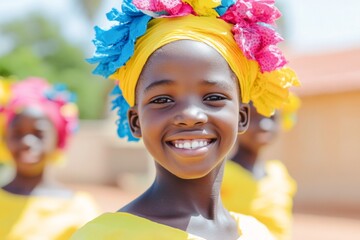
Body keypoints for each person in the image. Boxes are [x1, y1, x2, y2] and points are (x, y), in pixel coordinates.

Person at [72, 0, 299, 239]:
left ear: (242, 117)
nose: (191, 116)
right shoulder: (104, 236)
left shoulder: (257, 234)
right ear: (135, 121)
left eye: (213, 97)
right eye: (162, 100)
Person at [0, 77, 99, 239]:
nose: (27, 142)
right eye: (17, 133)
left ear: (58, 139)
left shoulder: (79, 209)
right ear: (5, 138)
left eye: (38, 134)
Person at [221, 94, 301, 240]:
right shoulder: (220, 175)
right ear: (239, 120)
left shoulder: (279, 173)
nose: (265, 125)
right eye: (255, 117)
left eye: (271, 117)